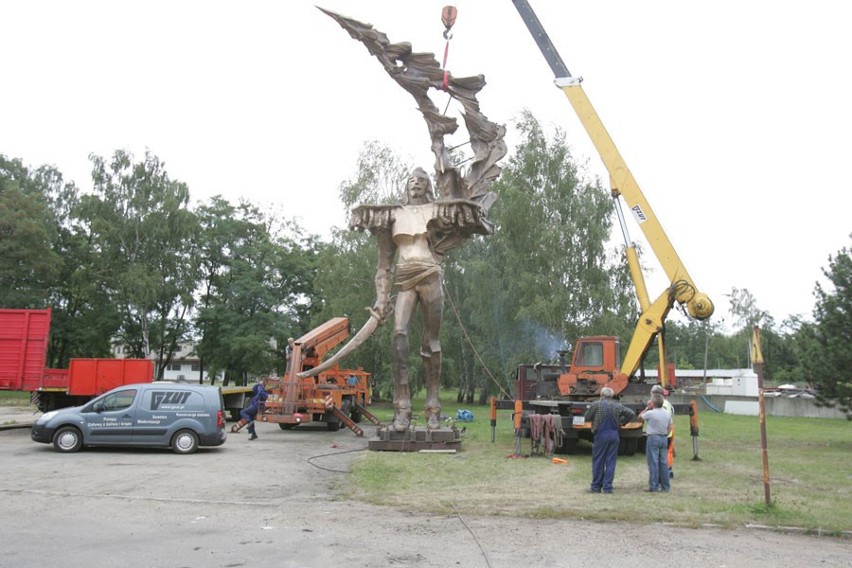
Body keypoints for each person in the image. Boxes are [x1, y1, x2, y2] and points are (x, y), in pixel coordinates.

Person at [372, 168, 445, 432]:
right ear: (406, 186)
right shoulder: (393, 216)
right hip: (405, 279)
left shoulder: (437, 212)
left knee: (431, 342)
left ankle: (433, 409)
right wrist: (381, 298)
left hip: (430, 276)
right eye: (412, 180)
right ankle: (402, 408)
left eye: (421, 181)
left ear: (427, 187)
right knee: (398, 335)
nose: (416, 183)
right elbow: (384, 265)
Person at [583, 387, 637, 494]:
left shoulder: (596, 404)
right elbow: (631, 413)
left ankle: (596, 486)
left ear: (601, 394)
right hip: (614, 434)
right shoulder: (617, 405)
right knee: (611, 461)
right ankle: (608, 487)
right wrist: (621, 422)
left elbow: (586, 417)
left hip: (601, 435)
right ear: (612, 396)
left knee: (598, 461)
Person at [638, 393, 673, 492]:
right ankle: (666, 487)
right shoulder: (667, 413)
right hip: (664, 438)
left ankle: (654, 486)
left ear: (653, 403)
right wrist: (666, 433)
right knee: (663, 463)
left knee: (653, 463)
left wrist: (647, 408)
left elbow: (640, 417)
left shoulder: (651, 413)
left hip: (653, 437)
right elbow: (670, 426)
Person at [651, 384, 675, 478]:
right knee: (667, 454)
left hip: (663, 433)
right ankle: (668, 471)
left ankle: (665, 473)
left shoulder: (662, 405)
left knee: (661, 457)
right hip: (668, 432)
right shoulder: (668, 403)